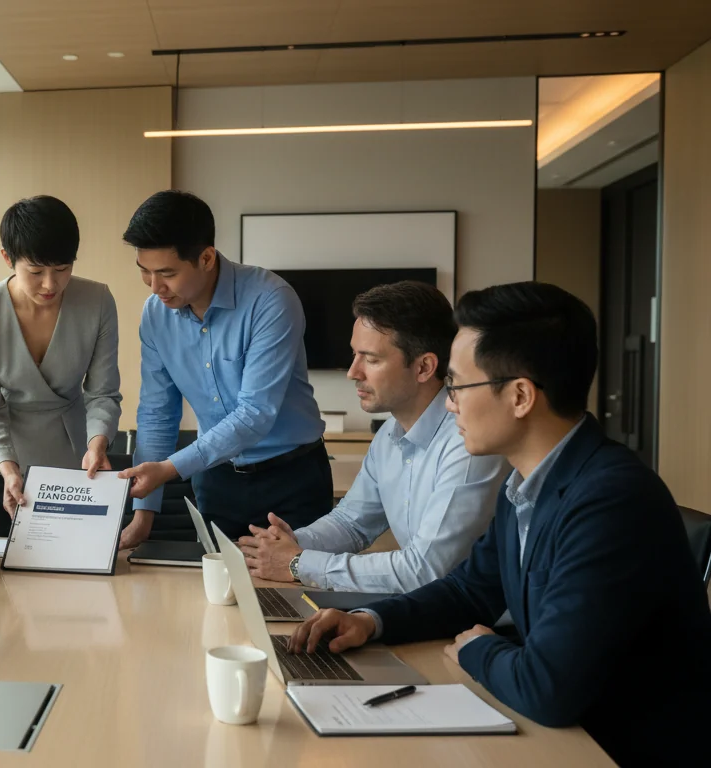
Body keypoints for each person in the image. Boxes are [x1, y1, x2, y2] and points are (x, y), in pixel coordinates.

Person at [287, 283, 711, 766]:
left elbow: (547, 688)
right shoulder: (527, 481)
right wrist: (371, 621)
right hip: (568, 730)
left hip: (616, 747)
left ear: (520, 396)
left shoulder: (610, 501)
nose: (448, 404)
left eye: (458, 386)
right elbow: (471, 590)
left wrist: (479, 649)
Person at [239, 281, 509, 592]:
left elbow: (424, 570)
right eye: (355, 355)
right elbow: (351, 522)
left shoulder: (468, 443)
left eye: (371, 359)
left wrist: (298, 563)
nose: (353, 371)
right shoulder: (389, 436)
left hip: (477, 625)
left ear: (424, 367)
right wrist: (288, 544)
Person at [118, 190, 329, 548]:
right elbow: (157, 413)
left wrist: (168, 470)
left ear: (206, 257)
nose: (156, 288)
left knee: (294, 599)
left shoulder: (271, 300)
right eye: (145, 272)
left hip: (292, 479)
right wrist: (143, 514)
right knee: (215, 597)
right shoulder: (156, 313)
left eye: (167, 273)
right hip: (215, 481)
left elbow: (254, 414)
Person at [0, 195, 122, 536]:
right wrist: (8, 469)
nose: (50, 285)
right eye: (35, 271)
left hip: (73, 458)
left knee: (68, 573)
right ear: (8, 258)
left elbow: (103, 393)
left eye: (63, 269)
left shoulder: (98, 302)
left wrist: (98, 444)